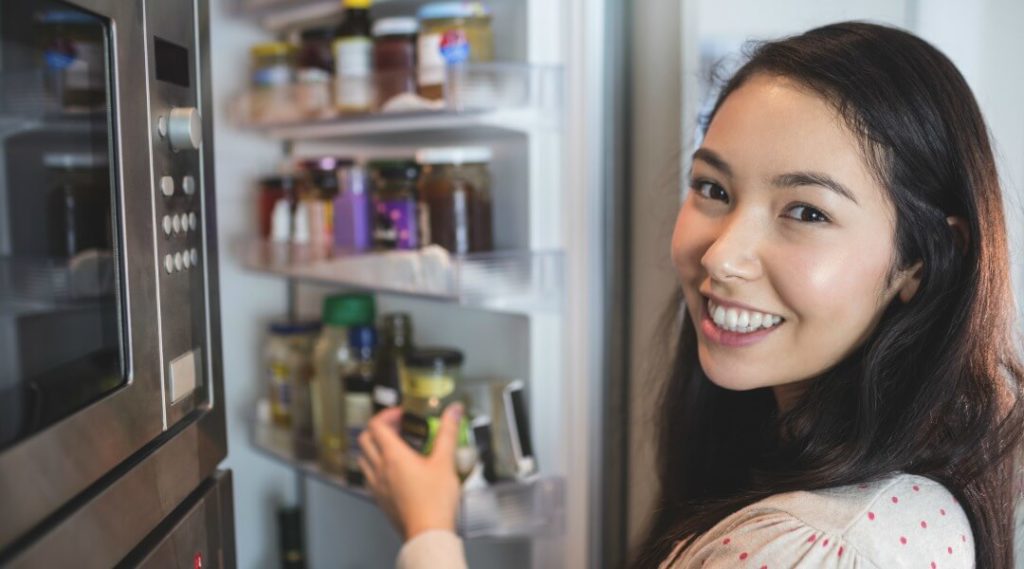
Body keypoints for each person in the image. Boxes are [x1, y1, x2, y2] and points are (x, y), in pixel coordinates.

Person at [358, 21, 1024, 568]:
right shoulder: (883, 476)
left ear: (919, 261)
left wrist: (427, 530)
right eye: (713, 189)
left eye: (806, 212)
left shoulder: (819, 551)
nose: (721, 254)